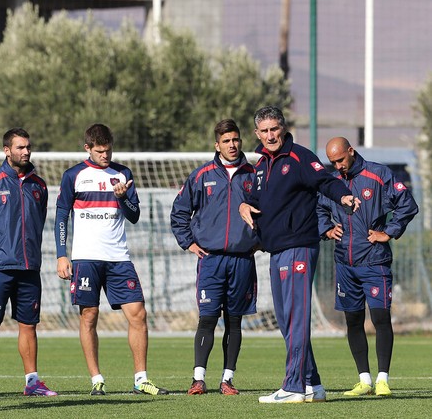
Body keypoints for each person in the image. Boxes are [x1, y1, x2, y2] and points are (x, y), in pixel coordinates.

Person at [239, 106, 360, 404]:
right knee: (285, 319)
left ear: (283, 128)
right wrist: (244, 205)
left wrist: (342, 195)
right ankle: (312, 384)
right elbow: (255, 199)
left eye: (274, 129)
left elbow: (326, 181)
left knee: (296, 317)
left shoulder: (300, 157)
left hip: (299, 246)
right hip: (276, 249)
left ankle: (292, 386)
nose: (270, 135)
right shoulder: (260, 165)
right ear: (257, 134)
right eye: (264, 131)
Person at [55, 123, 168, 396]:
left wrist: (122, 198)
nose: (105, 155)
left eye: (108, 150)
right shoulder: (74, 175)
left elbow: (134, 215)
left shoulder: (123, 173)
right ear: (88, 148)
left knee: (138, 314)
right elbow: (61, 215)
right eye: (100, 151)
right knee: (89, 316)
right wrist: (61, 255)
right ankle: (96, 379)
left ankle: (141, 379)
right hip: (85, 258)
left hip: (118, 258)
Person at [316, 137, 418, 397]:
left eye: (340, 159)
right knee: (353, 320)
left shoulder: (379, 174)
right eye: (333, 162)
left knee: (381, 318)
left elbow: (407, 204)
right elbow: (317, 207)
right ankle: (364, 380)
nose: (338, 166)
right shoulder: (331, 182)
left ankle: (383, 379)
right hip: (344, 263)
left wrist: (390, 231)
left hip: (375, 261)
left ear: (351, 151)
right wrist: (326, 228)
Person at [170, 119, 258, 396]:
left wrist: (259, 240)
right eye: (226, 141)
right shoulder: (201, 175)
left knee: (234, 320)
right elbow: (179, 212)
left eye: (236, 139)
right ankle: (198, 379)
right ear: (216, 144)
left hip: (242, 260)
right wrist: (189, 243)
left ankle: (227, 380)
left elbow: (268, 212)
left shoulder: (253, 176)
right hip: (211, 261)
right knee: (207, 318)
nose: (232, 145)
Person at [0, 128, 56, 398]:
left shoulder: (39, 185)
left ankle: (32, 382)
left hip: (29, 268)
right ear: (6, 150)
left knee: (29, 325)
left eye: (28, 147)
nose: (26, 151)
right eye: (20, 147)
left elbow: (38, 221)